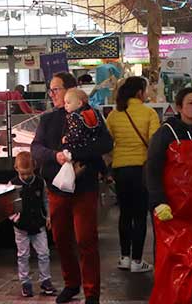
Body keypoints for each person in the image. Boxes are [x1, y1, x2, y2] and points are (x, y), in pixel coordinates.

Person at [32, 72, 113, 304]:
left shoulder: (90, 115)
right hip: (56, 189)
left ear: (70, 91)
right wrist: (55, 155)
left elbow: (106, 143)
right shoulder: (48, 120)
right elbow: (36, 148)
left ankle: (91, 293)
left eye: (56, 89)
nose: (52, 94)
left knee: (86, 239)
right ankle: (71, 284)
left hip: (84, 187)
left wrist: (75, 154)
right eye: (51, 90)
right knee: (61, 238)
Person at [146, 87, 192, 304]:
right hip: (171, 212)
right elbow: (152, 169)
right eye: (190, 103)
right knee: (169, 260)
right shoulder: (165, 133)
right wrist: (158, 201)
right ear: (179, 108)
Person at [106, 76, 160, 273]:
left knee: (125, 214)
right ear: (139, 92)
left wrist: (113, 160)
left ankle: (124, 258)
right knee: (139, 216)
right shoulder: (149, 113)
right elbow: (154, 143)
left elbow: (107, 143)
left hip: (121, 169)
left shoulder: (114, 115)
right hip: (142, 169)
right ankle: (137, 260)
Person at [10, 151, 57, 298]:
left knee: (44, 253)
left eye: (28, 173)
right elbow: (7, 204)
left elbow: (45, 200)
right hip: (21, 227)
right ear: (16, 168)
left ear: (34, 168)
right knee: (23, 255)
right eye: (23, 174)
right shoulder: (12, 184)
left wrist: (48, 216)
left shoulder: (40, 182)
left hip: (38, 223)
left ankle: (45, 281)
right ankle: (25, 282)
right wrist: (14, 218)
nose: (25, 177)